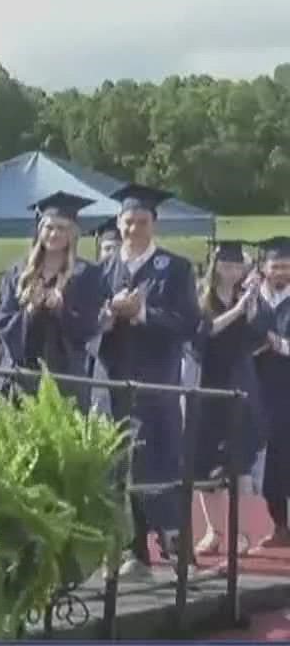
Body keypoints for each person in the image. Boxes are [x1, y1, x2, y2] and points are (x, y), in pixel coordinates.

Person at [95, 184, 202, 579]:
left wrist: (142, 315)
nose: (134, 228)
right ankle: (134, 552)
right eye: (127, 221)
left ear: (154, 224)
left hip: (157, 385)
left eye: (142, 221)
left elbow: (189, 324)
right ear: (118, 223)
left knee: (160, 465)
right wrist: (107, 315)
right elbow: (85, 326)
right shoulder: (102, 271)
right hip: (112, 382)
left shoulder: (175, 269)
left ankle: (178, 554)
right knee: (118, 469)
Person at [188, 241, 269, 557]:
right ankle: (214, 530)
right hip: (207, 389)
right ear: (215, 265)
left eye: (237, 265)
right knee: (203, 468)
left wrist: (251, 307)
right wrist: (237, 311)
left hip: (240, 390)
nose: (231, 270)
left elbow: (261, 335)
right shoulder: (201, 299)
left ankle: (243, 534)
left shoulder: (249, 298)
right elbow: (203, 333)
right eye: (226, 263)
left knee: (240, 468)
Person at [0, 193, 106, 398]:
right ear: (39, 230)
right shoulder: (19, 272)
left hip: (66, 379)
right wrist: (30, 311)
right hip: (21, 377)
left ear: (72, 233)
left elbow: (91, 324)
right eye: (49, 227)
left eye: (61, 228)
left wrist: (62, 310)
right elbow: (1, 319)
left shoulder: (86, 274)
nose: (54, 234)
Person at [251, 236, 290, 547]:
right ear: (264, 268)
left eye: (287, 267)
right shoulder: (251, 299)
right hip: (257, 390)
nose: (281, 272)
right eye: (276, 266)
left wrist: (280, 345)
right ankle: (279, 526)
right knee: (267, 463)